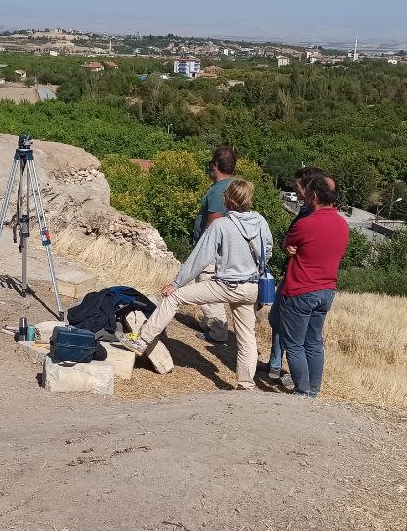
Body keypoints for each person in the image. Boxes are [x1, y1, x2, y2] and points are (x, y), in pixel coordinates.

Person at [123, 178, 272, 388]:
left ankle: (142, 339)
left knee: (174, 297)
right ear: (249, 198)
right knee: (247, 336)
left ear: (227, 198)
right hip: (251, 287)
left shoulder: (221, 225)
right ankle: (246, 384)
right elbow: (268, 251)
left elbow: (199, 258)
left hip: (225, 285)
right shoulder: (260, 221)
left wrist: (176, 283)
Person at [274, 174, 349, 398]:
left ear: (314, 196)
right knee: (314, 342)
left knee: (294, 344)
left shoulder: (306, 224)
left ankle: (303, 389)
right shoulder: (342, 224)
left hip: (300, 290)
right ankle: (314, 390)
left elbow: (288, 241)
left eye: (307, 193)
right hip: (326, 291)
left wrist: (289, 248)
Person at [266, 167, 328, 389]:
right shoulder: (310, 213)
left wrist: (288, 246)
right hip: (313, 284)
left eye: (298, 187)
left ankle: (300, 384)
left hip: (300, 283)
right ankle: (281, 368)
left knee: (297, 340)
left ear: (310, 189)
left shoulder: (311, 216)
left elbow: (291, 240)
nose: (295, 191)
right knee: (284, 325)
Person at [193, 147, 238, 344]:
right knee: (206, 284)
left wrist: (202, 248)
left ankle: (218, 332)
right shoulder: (236, 185)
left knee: (207, 284)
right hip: (227, 248)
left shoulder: (219, 189)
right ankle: (208, 323)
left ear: (215, 166)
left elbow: (213, 223)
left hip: (212, 249)